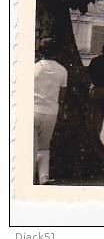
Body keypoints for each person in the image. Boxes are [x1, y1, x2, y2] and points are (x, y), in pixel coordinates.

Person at [34, 38, 67, 184]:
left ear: (40, 51)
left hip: (32, 110)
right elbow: (63, 95)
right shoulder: (62, 70)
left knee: (30, 146)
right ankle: (43, 177)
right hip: (51, 112)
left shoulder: (34, 68)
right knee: (44, 146)